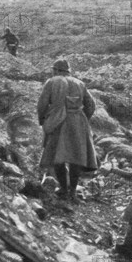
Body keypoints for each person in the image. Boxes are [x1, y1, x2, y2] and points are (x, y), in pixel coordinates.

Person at [37, 59, 98, 202]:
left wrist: (42, 119)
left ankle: (64, 189)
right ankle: (72, 192)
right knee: (76, 157)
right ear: (68, 71)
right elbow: (91, 104)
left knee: (57, 156)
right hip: (78, 121)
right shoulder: (79, 83)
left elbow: (42, 104)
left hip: (59, 121)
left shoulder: (52, 82)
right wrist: (83, 119)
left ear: (57, 70)